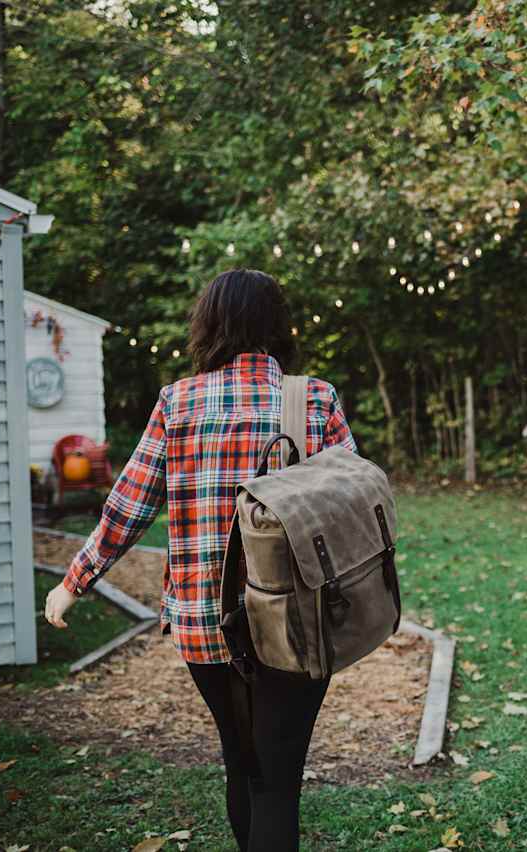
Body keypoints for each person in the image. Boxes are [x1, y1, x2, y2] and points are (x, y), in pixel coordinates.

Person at [44, 269, 356, 851]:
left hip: (206, 624)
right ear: (276, 326)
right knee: (279, 784)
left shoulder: (178, 403)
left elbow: (128, 507)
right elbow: (354, 507)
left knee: (242, 765)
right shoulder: (314, 398)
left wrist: (74, 581)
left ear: (209, 324)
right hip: (297, 623)